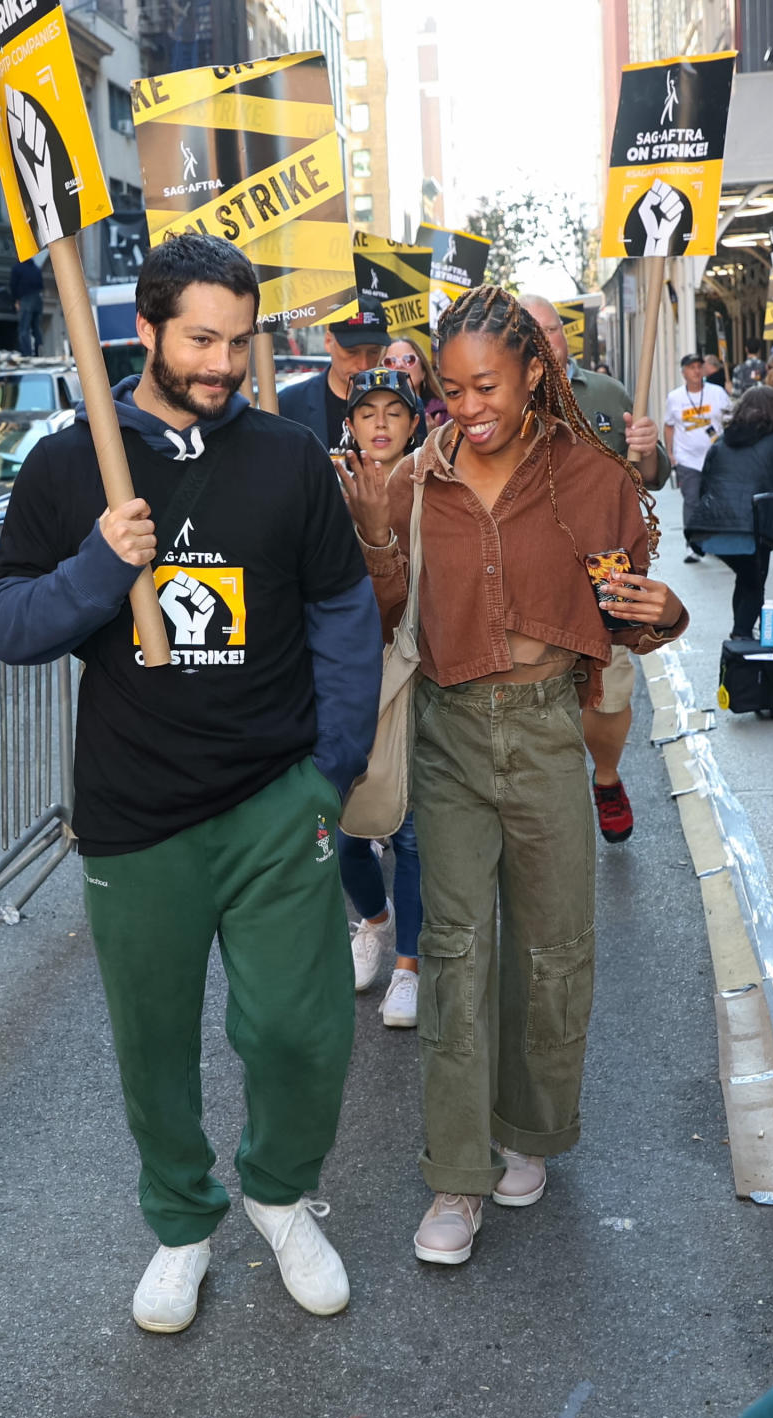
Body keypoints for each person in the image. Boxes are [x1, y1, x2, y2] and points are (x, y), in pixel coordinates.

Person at [0, 234, 382, 1332]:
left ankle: (279, 1193)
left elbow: (344, 610)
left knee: (299, 1033)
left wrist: (330, 769)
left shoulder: (289, 455)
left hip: (274, 800)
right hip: (134, 818)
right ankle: (181, 1222)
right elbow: (9, 627)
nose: (223, 363)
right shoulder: (74, 465)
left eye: (239, 340)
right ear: (146, 330)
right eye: (201, 338)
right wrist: (100, 568)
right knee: (153, 1049)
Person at [342, 284, 687, 1267]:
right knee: (452, 953)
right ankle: (456, 1176)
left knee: (553, 948)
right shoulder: (411, 480)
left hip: (544, 732)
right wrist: (373, 536)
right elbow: (383, 617)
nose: (467, 406)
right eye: (448, 389)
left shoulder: (591, 479)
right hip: (448, 733)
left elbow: (629, 623)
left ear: (534, 372)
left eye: (485, 384)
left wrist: (663, 612)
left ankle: (525, 1132)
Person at [520, 293, 671, 845]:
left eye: (552, 329)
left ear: (565, 335)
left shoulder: (605, 393)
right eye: (530, 332)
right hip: (531, 574)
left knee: (611, 694)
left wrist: (647, 449)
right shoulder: (504, 400)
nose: (546, 341)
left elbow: (652, 477)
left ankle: (605, 778)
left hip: (605, 569)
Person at [336, 367, 424, 1027]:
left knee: (415, 834)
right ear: (351, 422)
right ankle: (373, 919)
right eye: (369, 412)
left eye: (396, 411)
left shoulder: (436, 485)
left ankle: (409, 968)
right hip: (343, 678)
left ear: (415, 421)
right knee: (343, 826)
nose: (382, 424)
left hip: (415, 673)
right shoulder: (322, 486)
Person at [686, 385, 773, 637]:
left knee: (746, 578)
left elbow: (706, 482)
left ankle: (741, 634)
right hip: (755, 526)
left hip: (713, 528)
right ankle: (741, 636)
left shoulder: (723, 441)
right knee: (754, 583)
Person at [277, 291, 390, 449]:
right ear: (328, 341)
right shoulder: (290, 403)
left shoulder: (406, 404)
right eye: (352, 351)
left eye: (373, 352)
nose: (364, 365)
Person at [663, 353, 730, 563]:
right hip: (688, 459)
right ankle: (692, 545)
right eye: (691, 367)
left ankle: (714, 542)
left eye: (699, 367)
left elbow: (729, 419)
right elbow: (669, 425)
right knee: (691, 501)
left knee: (716, 501)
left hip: (716, 457)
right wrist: (671, 453)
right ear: (683, 372)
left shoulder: (717, 393)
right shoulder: (675, 397)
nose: (696, 371)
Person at [384, 335, 447, 429]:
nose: (399, 365)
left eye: (408, 359)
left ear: (423, 371)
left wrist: (434, 440)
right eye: (390, 362)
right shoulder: (369, 416)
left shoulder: (446, 415)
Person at [9, 256, 44, 357]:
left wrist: (16, 300)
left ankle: (27, 353)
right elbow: (41, 285)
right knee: (36, 328)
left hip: (26, 299)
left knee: (24, 328)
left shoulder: (17, 268)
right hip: (37, 300)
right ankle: (39, 352)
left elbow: (13, 285)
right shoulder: (36, 269)